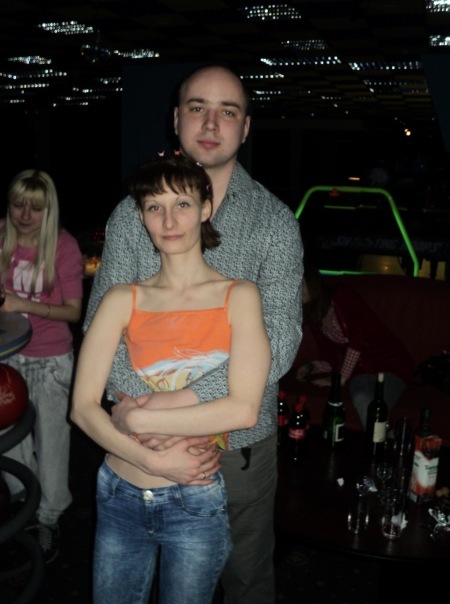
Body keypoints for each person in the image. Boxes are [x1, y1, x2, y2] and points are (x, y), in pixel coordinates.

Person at [83, 64, 304, 604]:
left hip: (235, 446)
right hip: (140, 441)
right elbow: (101, 331)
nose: (210, 122)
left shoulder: (275, 222)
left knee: (246, 581)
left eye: (227, 111)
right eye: (198, 107)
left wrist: (172, 406)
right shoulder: (132, 215)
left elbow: (280, 339)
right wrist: (146, 418)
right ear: (176, 119)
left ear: (245, 128)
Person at [71, 154, 272, 603]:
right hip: (119, 491)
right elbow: (82, 408)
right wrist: (153, 461)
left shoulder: (240, 296)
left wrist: (138, 419)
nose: (168, 220)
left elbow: (243, 409)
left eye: (182, 203)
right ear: (142, 217)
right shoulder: (121, 298)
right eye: (154, 207)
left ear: (205, 208)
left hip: (195, 502)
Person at [0, 169, 83, 562]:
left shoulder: (63, 246)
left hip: (50, 359)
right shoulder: (1, 235)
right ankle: (24, 503)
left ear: (49, 210)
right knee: (9, 440)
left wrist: (23, 304)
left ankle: (48, 518)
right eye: (18, 204)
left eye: (35, 208)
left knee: (52, 446)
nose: (24, 215)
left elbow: (73, 311)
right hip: (7, 354)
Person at [296, 264, 414, 428]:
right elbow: (331, 361)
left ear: (313, 283)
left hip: (391, 363)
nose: (295, 290)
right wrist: (311, 367)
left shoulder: (342, 295)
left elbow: (359, 338)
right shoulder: (317, 320)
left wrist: (341, 380)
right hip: (360, 372)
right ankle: (384, 438)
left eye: (300, 284)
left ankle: (383, 439)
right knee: (361, 398)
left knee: (375, 408)